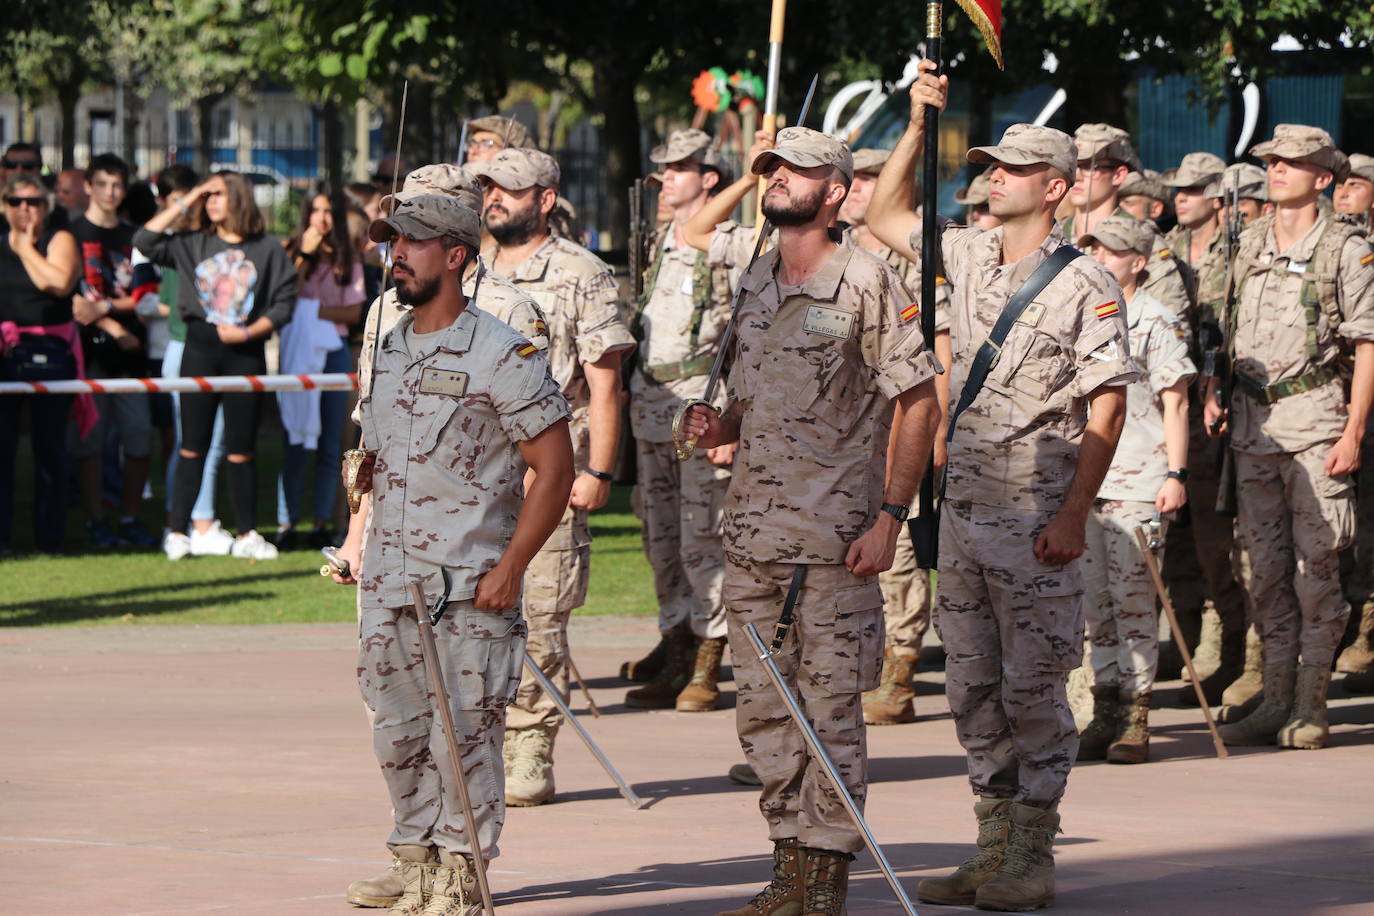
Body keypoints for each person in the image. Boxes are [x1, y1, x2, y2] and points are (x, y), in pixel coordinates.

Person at [869, 64, 1136, 910]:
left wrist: (1071, 516)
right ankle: (990, 844)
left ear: (1055, 187)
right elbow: (880, 213)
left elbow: (1109, 406)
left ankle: (1034, 850)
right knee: (972, 688)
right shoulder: (972, 252)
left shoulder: (1086, 283)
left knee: (1034, 688)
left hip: (1033, 520)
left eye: (1013, 168)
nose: (993, 176)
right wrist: (917, 123)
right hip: (966, 514)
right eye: (990, 164)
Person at [682, 126, 942, 916]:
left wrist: (891, 517)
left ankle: (825, 873)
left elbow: (919, 401)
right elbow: (750, 399)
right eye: (771, 170)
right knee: (764, 715)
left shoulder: (867, 281)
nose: (778, 181)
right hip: (753, 539)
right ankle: (788, 863)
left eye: (795, 172)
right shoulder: (758, 279)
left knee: (827, 711)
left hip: (832, 545)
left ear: (834, 190)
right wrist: (716, 426)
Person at [330, 194, 575, 916]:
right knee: (398, 731)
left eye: (412, 242)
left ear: (457, 256)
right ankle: (416, 863)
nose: (396, 254)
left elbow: (554, 469)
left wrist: (511, 569)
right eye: (391, 241)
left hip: (469, 586)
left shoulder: (502, 352)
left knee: (464, 736)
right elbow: (377, 456)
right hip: (391, 582)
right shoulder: (390, 344)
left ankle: (462, 877)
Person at [470, 147, 635, 807]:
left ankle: (531, 739)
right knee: (470, 612)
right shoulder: (466, 267)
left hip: (550, 465)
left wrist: (598, 468)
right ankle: (479, 741)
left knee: (538, 613)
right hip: (473, 470)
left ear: (545, 197)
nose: (495, 199)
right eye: (489, 188)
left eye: (510, 189)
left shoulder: (580, 272)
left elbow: (605, 381)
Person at [1205, 125, 1374, 749]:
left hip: (1316, 426)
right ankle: (1275, 696)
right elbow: (1225, 330)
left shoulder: (1343, 249)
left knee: (1317, 568)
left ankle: (1311, 702)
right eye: (1272, 161)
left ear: (1322, 177)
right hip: (1253, 430)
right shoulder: (1247, 242)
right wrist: (1213, 388)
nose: (1277, 170)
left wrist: (1354, 430)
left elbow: (1366, 345)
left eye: (1292, 162)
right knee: (1264, 571)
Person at [618, 128, 737, 712]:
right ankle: (675, 642)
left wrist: (731, 418)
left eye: (680, 168)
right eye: (663, 167)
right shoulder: (657, 239)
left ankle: (709, 657)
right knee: (658, 536)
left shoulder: (721, 244)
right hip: (649, 403)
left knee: (701, 536)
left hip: (697, 403)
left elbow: (743, 335)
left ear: (708, 177)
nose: (667, 177)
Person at [1074, 215, 1195, 764]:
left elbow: (1176, 400)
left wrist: (1176, 473)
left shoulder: (1154, 317)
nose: (1099, 258)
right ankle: (1103, 707)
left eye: (1112, 251)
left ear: (1138, 262)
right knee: (1094, 602)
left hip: (1138, 479)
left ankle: (1136, 713)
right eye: (1094, 248)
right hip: (1085, 479)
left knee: (1132, 601)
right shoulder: (1081, 311)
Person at [840, 146, 953, 726]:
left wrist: (935, 428)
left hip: (903, 421)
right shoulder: (839, 254)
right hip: (851, 432)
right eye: (854, 180)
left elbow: (944, 346)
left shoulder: (917, 263)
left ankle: (901, 669)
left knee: (902, 549)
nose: (860, 189)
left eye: (872, 180)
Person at [134, 170, 296, 561]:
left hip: (246, 350)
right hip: (200, 347)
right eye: (208, 196)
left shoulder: (267, 248)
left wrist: (246, 333)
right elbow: (144, 240)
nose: (211, 201)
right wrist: (189, 198)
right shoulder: (192, 242)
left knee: (241, 449)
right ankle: (177, 532)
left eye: (218, 194)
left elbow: (284, 301)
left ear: (238, 198)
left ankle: (246, 533)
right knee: (192, 445)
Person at [65, 153, 160, 548]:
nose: (110, 192)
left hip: (131, 356)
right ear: (88, 186)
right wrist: (109, 325)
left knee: (138, 438)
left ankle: (130, 516)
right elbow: (70, 298)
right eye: (102, 183)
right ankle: (96, 520)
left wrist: (105, 310)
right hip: (89, 356)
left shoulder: (133, 237)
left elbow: (145, 296)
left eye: (117, 185)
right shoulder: (69, 234)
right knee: (91, 442)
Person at [274, 184, 366, 550]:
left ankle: (324, 521)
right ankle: (286, 521)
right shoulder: (290, 252)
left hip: (334, 353)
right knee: (294, 438)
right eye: (317, 211)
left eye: (330, 212)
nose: (323, 220)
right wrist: (304, 256)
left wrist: (310, 313)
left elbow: (352, 312)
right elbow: (284, 296)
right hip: (297, 354)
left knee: (332, 440)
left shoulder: (349, 259)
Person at [0, 174, 80, 554]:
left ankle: (50, 539)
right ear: (4, 205)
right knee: (2, 450)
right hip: (5, 354)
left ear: (46, 206)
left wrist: (25, 249)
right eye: (15, 202)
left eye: (32, 202)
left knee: (50, 448)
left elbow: (59, 284)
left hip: (51, 351)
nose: (24, 209)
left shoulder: (58, 239)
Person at [1061, 124, 1192, 319]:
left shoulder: (1142, 240)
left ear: (1119, 175)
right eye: (1074, 165)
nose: (1077, 175)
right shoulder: (1055, 233)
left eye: (1091, 166)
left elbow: (1171, 324)